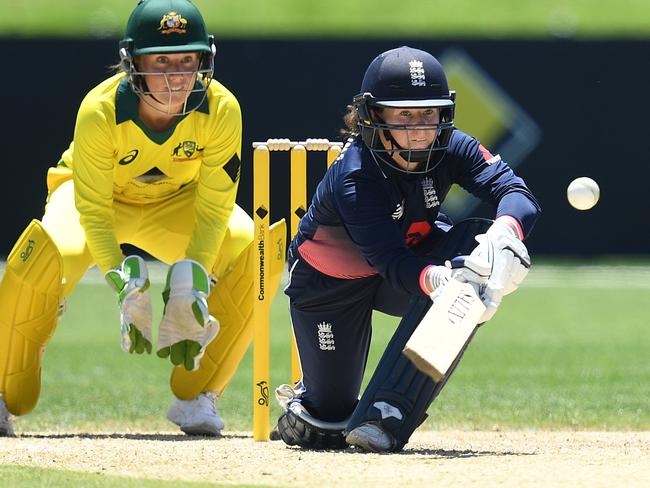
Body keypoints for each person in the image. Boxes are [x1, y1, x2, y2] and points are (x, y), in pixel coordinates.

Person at [0, 0, 285, 438]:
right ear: (132, 64)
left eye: (187, 60)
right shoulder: (99, 110)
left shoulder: (222, 108)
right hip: (97, 200)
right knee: (44, 256)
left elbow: (214, 206)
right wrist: (120, 278)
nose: (176, 76)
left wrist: (193, 274)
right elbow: (92, 209)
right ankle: (4, 392)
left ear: (203, 60)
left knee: (254, 248)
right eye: (162, 61)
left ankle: (198, 394)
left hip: (177, 203)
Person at [272, 46, 541, 452]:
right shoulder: (355, 175)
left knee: (479, 252)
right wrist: (442, 280)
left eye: (428, 114)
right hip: (329, 283)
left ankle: (387, 414)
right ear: (374, 116)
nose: (419, 129)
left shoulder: (454, 146)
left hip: (407, 264)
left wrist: (505, 236)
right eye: (404, 115)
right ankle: (311, 401)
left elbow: (517, 194)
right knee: (326, 426)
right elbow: (390, 262)